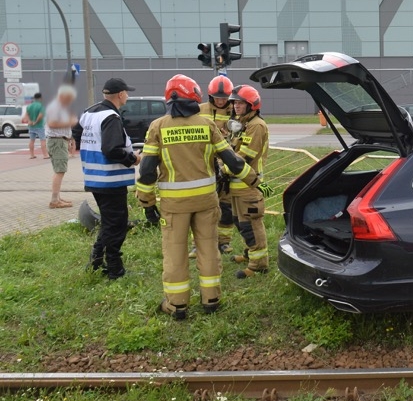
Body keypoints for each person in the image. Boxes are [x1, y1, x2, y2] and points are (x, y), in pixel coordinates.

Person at [136, 75, 259, 320]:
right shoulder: (206, 125)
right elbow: (233, 161)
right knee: (208, 248)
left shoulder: (158, 126)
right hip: (206, 202)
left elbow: (147, 170)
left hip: (174, 206)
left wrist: (146, 203)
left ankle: (177, 304)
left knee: (175, 252)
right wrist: (254, 180)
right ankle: (211, 298)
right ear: (195, 98)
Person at [80, 78, 142, 280]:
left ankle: (96, 262)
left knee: (109, 223)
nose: (128, 96)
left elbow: (76, 130)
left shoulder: (90, 112)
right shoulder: (111, 117)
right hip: (110, 180)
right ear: (120, 95)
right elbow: (111, 148)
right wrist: (132, 158)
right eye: (127, 92)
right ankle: (115, 269)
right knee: (117, 224)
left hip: (95, 178)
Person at [226, 85, 273, 279]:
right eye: (235, 103)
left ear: (251, 105)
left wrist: (222, 170)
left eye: (240, 103)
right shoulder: (241, 123)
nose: (236, 106)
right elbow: (230, 150)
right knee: (240, 222)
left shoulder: (256, 126)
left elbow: (244, 156)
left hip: (249, 185)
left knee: (251, 225)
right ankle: (249, 254)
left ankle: (259, 264)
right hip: (237, 185)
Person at [199, 75, 235, 253]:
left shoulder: (235, 111)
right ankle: (197, 245)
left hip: (227, 165)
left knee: (226, 207)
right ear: (210, 95)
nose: (221, 101)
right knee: (202, 207)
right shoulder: (200, 110)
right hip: (205, 165)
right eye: (217, 97)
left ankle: (224, 241)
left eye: (224, 97)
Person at [45, 84, 79, 208]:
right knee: (60, 170)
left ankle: (57, 197)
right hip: (57, 141)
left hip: (60, 140)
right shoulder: (55, 108)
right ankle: (54, 200)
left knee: (59, 170)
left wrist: (69, 138)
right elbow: (52, 123)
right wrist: (70, 122)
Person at [25, 92, 49, 159]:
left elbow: (26, 115)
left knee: (32, 140)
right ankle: (45, 155)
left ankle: (32, 155)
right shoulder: (41, 106)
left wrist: (30, 121)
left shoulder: (29, 106)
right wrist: (36, 122)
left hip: (31, 126)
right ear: (40, 98)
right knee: (43, 140)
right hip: (39, 126)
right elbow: (40, 115)